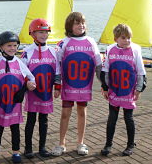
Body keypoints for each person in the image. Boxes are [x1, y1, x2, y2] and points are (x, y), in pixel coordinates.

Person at [51, 12, 102, 156]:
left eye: (83, 23)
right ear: (70, 26)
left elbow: (98, 65)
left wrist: (104, 85)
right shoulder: (64, 42)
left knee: (82, 112)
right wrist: (57, 84)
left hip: (84, 86)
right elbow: (57, 65)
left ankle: (80, 143)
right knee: (65, 113)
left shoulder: (91, 41)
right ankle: (62, 143)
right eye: (77, 23)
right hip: (69, 86)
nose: (81, 25)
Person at [0, 31, 36, 164]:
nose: (13, 48)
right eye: (9, 46)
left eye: (15, 45)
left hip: (15, 103)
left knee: (15, 129)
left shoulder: (19, 62)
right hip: (1, 103)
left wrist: (23, 89)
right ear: (1, 47)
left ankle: (16, 152)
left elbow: (31, 78)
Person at [100, 24, 146, 156]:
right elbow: (105, 71)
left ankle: (130, 144)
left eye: (129, 38)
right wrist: (105, 87)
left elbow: (140, 72)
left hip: (128, 91)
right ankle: (108, 144)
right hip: (114, 91)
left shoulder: (135, 50)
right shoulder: (109, 49)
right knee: (112, 118)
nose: (127, 40)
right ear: (116, 39)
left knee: (128, 118)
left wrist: (138, 89)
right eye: (124, 38)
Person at [20, 18, 61, 158]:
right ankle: (28, 148)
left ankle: (42, 147)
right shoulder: (27, 52)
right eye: (40, 32)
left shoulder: (53, 51)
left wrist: (57, 87)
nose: (44, 35)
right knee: (31, 120)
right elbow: (22, 71)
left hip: (46, 92)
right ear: (32, 33)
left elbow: (57, 71)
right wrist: (26, 83)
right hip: (33, 93)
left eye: (46, 32)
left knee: (44, 120)